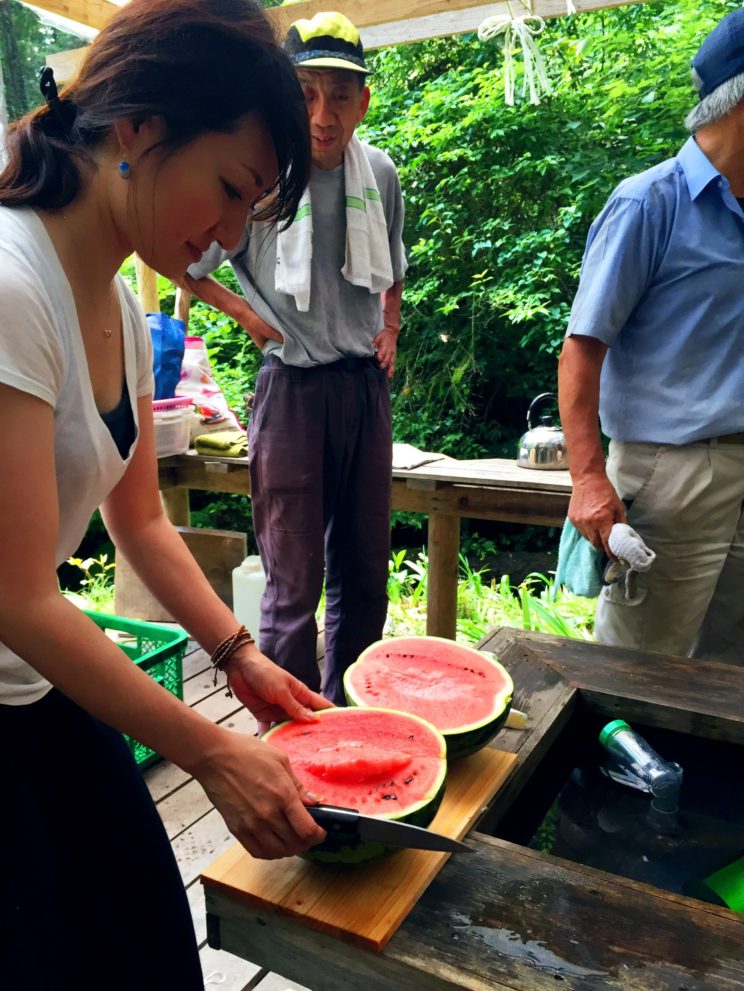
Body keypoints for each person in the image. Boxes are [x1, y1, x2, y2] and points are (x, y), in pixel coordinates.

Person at [0, 2, 333, 987]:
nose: (228, 236)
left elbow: (137, 514)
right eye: (230, 190)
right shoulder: (13, 287)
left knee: (142, 941)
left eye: (251, 211)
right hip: (18, 661)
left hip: (32, 683)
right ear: (140, 126)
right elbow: (17, 594)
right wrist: (213, 754)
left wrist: (241, 658)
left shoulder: (119, 293)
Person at [186, 11, 407, 713]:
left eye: (340, 95)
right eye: (306, 93)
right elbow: (188, 261)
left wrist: (391, 324)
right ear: (288, 96)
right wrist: (249, 315)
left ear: (363, 101)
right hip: (291, 394)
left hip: (364, 390)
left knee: (366, 572)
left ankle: (353, 715)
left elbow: (394, 265)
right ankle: (288, 731)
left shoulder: (381, 174)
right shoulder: (263, 178)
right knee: (293, 583)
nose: (322, 114)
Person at [558, 8, 744, 662]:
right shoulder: (649, 202)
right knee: (642, 670)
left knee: (732, 677)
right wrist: (587, 475)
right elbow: (582, 346)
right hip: (669, 473)